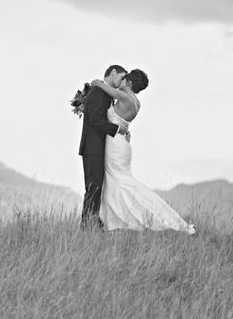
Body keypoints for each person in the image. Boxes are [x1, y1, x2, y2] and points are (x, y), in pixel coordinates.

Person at [91, 69, 195, 235]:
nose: (121, 81)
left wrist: (96, 84)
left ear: (129, 83)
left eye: (123, 79)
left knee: (118, 181)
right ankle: (117, 219)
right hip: (122, 144)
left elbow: (102, 86)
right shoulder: (136, 102)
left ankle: (119, 220)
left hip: (116, 144)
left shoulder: (124, 96)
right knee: (122, 180)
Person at [78, 65, 128, 230]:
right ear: (113, 72)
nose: (122, 82)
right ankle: (87, 227)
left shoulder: (104, 93)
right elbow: (97, 121)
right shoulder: (99, 93)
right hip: (93, 147)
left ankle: (93, 224)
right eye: (121, 77)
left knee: (97, 186)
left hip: (98, 147)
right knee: (94, 186)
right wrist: (117, 130)